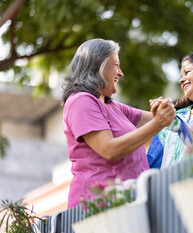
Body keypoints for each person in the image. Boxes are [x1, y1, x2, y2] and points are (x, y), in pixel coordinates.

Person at [62, 38, 175, 208]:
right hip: (98, 207)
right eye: (116, 64)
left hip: (126, 203)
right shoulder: (81, 101)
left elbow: (156, 118)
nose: (121, 73)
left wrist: (164, 109)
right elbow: (109, 149)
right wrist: (158, 123)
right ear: (98, 65)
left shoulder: (112, 106)